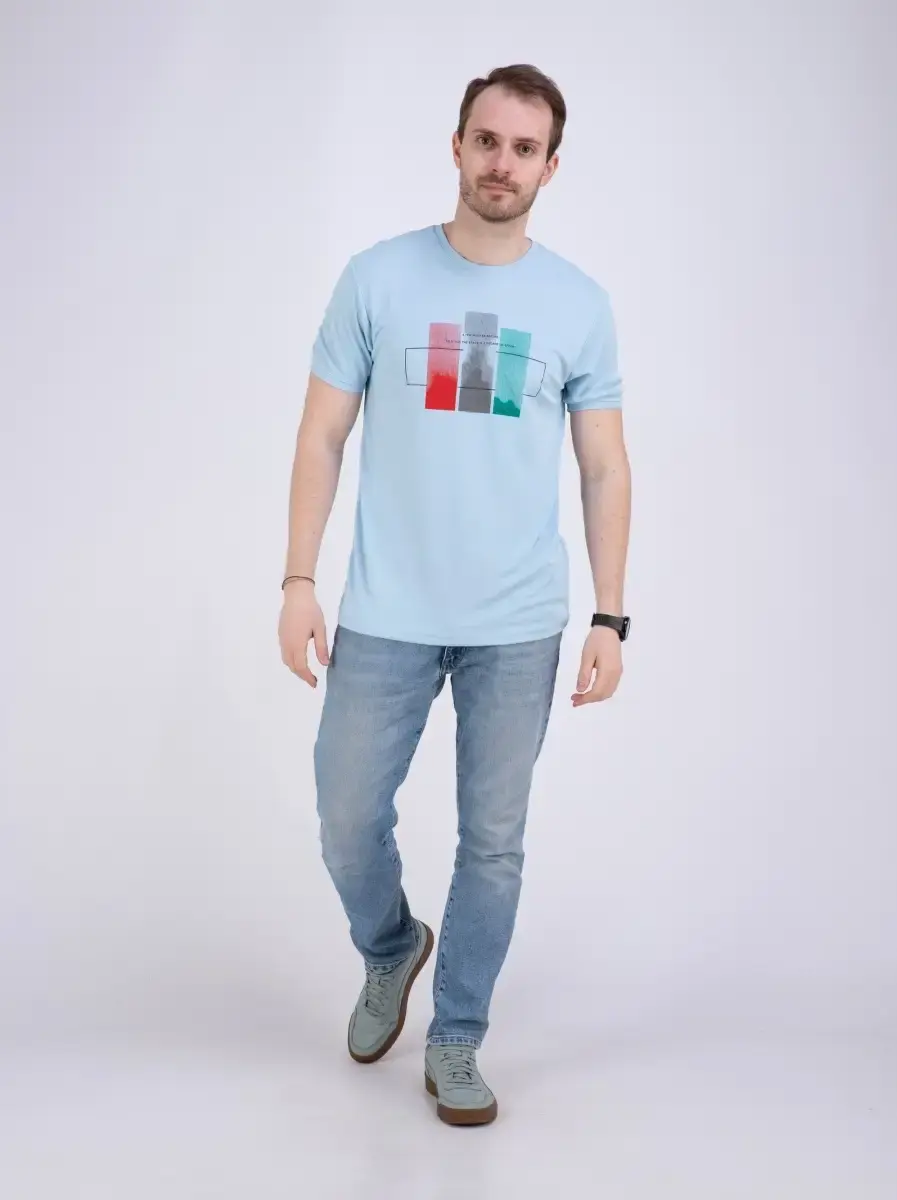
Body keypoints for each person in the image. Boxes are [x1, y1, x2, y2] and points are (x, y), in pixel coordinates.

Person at [279, 63, 632, 1126]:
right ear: (457, 145)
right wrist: (298, 578)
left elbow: (604, 467)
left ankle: (458, 1036)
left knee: (493, 843)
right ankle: (392, 947)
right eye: (488, 140)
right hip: (386, 611)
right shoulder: (378, 278)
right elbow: (321, 435)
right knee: (346, 815)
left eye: (525, 149)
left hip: (517, 625)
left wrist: (611, 614)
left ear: (551, 167)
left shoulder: (578, 304)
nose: (502, 163)